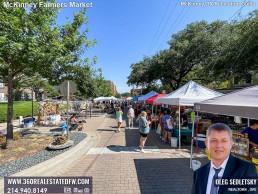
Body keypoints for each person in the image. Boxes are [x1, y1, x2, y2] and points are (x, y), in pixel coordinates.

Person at [192, 123, 257, 194]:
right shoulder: (199, 173)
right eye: (214, 140)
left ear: (231, 143)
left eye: (224, 141)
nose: (219, 145)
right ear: (206, 143)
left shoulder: (246, 170)